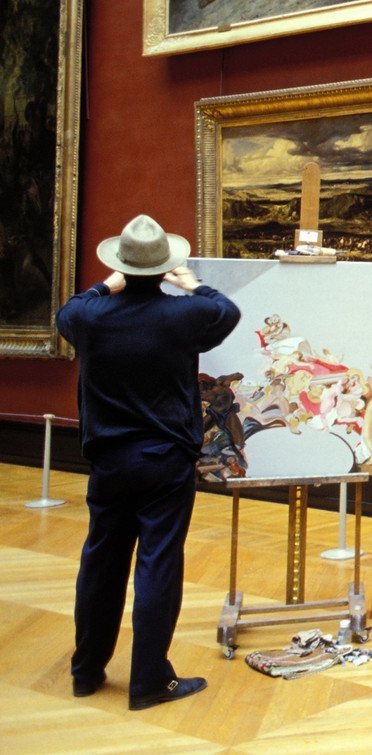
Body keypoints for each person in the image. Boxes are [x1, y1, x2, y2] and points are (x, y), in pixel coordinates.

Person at [56, 215, 241, 709]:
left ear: (120, 268)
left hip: (109, 460)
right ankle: (149, 682)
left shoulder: (91, 318)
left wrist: (106, 284)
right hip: (164, 459)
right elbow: (226, 310)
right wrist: (192, 283)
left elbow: (69, 310)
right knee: (157, 565)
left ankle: (86, 671)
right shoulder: (183, 316)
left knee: (101, 563)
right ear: (164, 269)